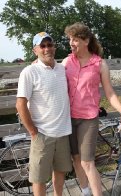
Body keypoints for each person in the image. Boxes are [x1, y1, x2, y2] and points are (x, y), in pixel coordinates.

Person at [62, 22, 121, 196]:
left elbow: (110, 93)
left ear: (86, 41)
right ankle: (85, 192)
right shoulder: (67, 62)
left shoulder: (99, 64)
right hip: (68, 118)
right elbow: (49, 74)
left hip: (88, 119)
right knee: (76, 159)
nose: (71, 43)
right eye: (70, 39)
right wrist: (37, 63)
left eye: (75, 40)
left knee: (87, 162)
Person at [16, 32, 72, 196]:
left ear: (54, 47)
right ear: (35, 50)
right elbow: (20, 104)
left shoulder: (62, 69)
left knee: (61, 171)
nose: (47, 49)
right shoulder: (29, 71)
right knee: (39, 178)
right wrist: (33, 131)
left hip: (63, 132)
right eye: (43, 46)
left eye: (50, 45)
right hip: (42, 134)